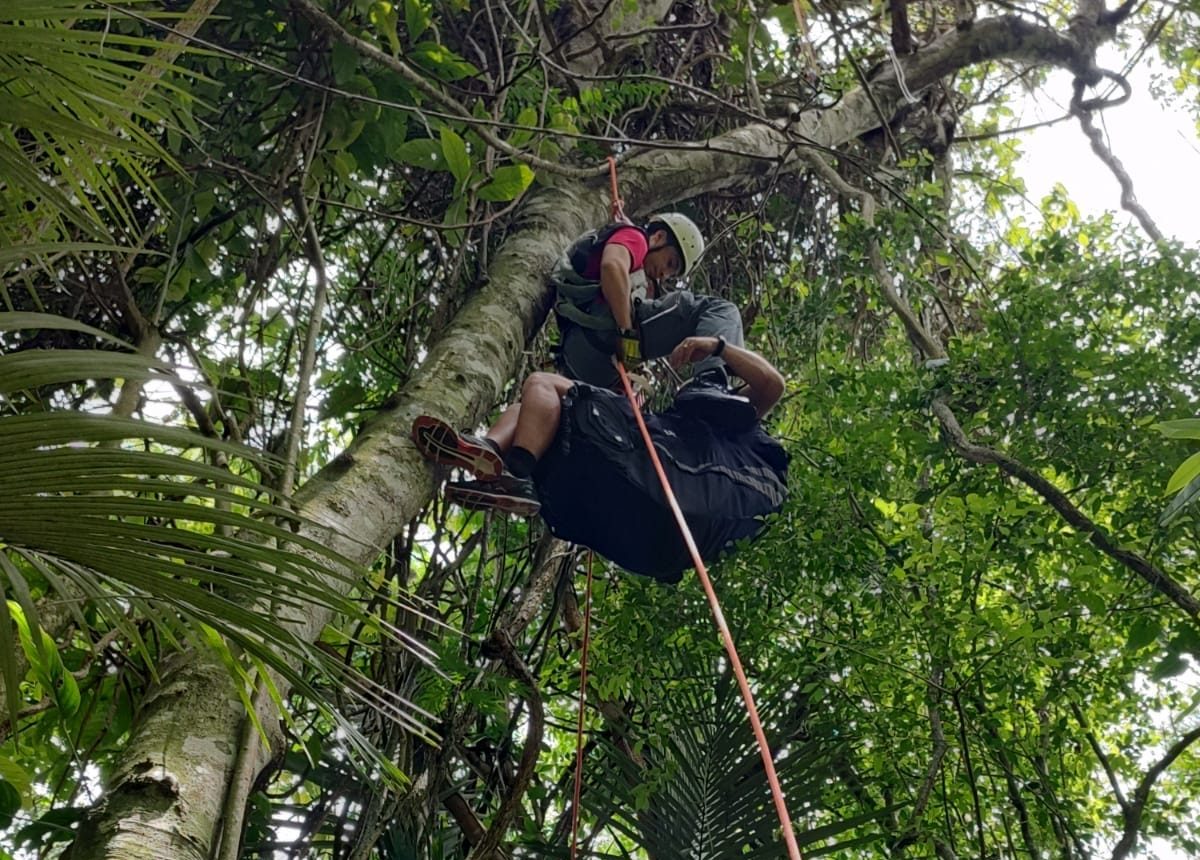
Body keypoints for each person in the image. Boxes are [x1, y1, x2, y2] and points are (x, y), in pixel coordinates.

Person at [411, 337, 788, 584]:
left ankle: (516, 471)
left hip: (666, 501)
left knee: (542, 383)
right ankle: (496, 454)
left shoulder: (735, 427)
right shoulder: (687, 440)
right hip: (655, 548)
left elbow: (773, 384)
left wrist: (717, 346)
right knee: (527, 410)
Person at [551, 214, 746, 391]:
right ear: (659, 237)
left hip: (577, 357)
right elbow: (612, 266)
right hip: (602, 332)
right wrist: (627, 332)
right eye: (670, 263)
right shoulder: (636, 238)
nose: (664, 275)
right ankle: (713, 383)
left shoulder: (635, 262)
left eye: (671, 274)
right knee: (720, 310)